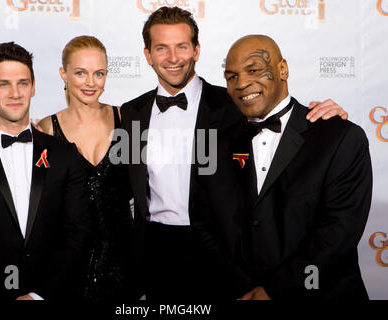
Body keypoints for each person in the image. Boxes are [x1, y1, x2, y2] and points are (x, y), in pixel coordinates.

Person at [120, 6, 349, 301]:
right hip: (154, 248)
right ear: (148, 55)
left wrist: (325, 114)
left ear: (197, 50)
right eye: (162, 48)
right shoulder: (130, 112)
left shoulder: (234, 101)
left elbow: (281, 121)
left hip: (221, 252)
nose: (173, 58)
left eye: (182, 47)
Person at [194, 34, 372, 300]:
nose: (241, 83)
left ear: (282, 69)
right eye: (231, 77)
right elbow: (203, 223)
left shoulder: (339, 137)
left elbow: (339, 233)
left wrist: (273, 291)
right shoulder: (215, 143)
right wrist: (243, 288)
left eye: (253, 70)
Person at [0, 42, 91, 300]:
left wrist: (37, 295)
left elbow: (78, 232)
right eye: (4, 84)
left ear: (33, 87)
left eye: (23, 83)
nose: (15, 93)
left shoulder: (65, 155)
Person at [38, 35, 134, 303]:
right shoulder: (46, 129)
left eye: (99, 73)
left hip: (123, 259)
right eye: (80, 73)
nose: (91, 83)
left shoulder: (126, 118)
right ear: (63, 74)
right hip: (69, 260)